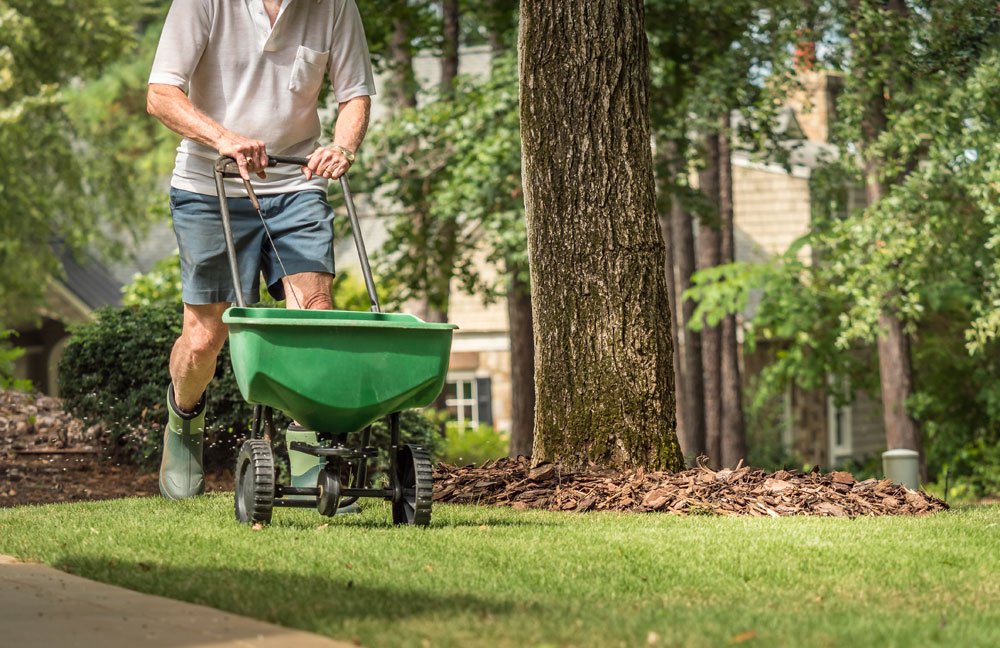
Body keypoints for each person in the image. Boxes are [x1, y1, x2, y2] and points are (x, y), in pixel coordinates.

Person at [147, 0, 375, 499]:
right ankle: (184, 421)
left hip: (297, 183)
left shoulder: (335, 6)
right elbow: (161, 94)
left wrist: (342, 147)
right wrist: (224, 136)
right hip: (211, 184)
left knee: (312, 317)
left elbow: (354, 94)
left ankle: (309, 451)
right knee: (205, 337)